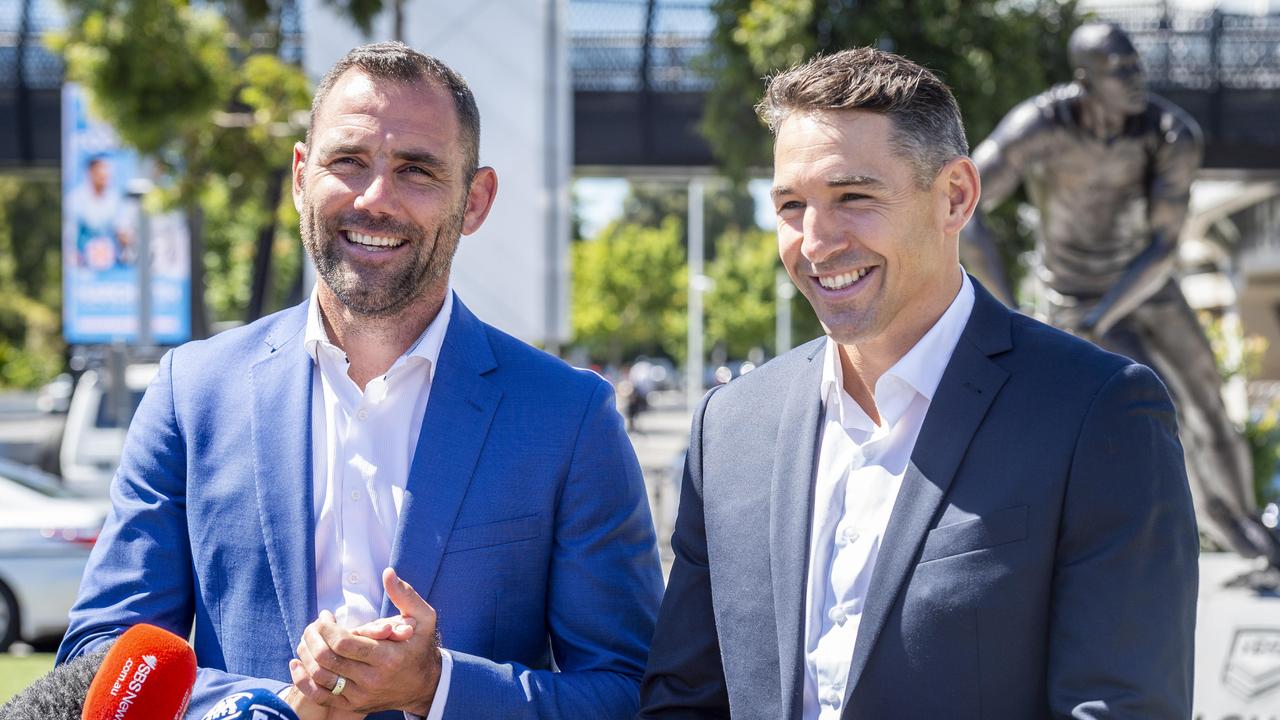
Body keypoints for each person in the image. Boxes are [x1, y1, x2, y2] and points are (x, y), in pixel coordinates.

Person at [58, 42, 663, 720]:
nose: (375, 199)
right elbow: (99, 660)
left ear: (475, 200)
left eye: (417, 170)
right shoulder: (191, 393)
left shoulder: (567, 417)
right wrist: (263, 708)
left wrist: (438, 689)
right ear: (298, 175)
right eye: (348, 161)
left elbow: (629, 692)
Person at [639, 47, 1198, 719]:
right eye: (792, 205)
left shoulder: (1097, 413)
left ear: (956, 196)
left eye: (853, 197)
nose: (815, 242)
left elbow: (1119, 707)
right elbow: (684, 699)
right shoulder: (728, 429)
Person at [961, 22, 1280, 570]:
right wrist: (1011, 311)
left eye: (1137, 66)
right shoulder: (1039, 125)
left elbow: (1163, 248)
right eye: (1120, 70)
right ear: (1085, 79)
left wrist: (1105, 314)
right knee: (1150, 413)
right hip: (1069, 295)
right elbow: (964, 212)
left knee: (1207, 399)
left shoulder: (1169, 132)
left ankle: (1249, 526)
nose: (1137, 79)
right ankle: (1206, 525)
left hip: (1145, 287)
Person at [66, 155, 134, 270]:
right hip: (83, 266)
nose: (105, 174)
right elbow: (70, 234)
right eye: (101, 169)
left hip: (114, 265)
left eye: (107, 170)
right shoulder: (75, 199)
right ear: (91, 172)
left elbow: (122, 228)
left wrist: (126, 238)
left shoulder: (116, 198)